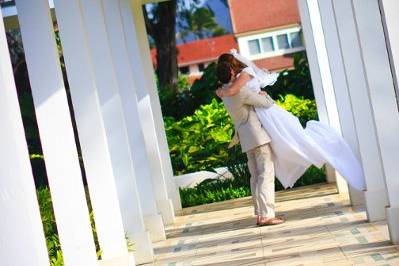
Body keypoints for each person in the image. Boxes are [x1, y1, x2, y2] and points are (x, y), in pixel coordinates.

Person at [216, 50, 366, 192]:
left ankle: (326, 148)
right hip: (261, 113)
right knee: (282, 145)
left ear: (232, 66)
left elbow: (233, 91)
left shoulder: (245, 73)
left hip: (267, 110)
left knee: (294, 141)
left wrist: (221, 92)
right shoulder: (237, 78)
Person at [216, 57, 285, 226]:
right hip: (257, 137)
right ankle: (267, 215)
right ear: (232, 72)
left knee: (255, 176)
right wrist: (264, 94)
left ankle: (260, 214)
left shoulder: (224, 93)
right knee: (266, 175)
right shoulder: (240, 91)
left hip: (245, 139)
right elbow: (266, 103)